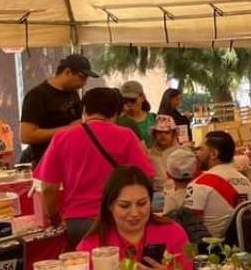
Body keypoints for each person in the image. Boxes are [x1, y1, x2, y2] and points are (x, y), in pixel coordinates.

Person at [35, 87, 157, 249]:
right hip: (118, 219)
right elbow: (146, 177)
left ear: (85, 110)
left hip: (77, 223)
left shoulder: (62, 138)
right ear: (115, 113)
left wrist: (54, 216)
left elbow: (49, 188)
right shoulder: (126, 136)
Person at [77, 167, 190, 270]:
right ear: (110, 206)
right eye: (124, 206)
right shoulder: (91, 247)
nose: (135, 213)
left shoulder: (173, 233)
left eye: (142, 204)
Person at [19, 53, 97, 164]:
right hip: (46, 162)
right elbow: (26, 136)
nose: (84, 83)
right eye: (82, 78)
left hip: (71, 160)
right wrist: (67, 129)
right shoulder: (37, 96)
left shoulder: (73, 93)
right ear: (67, 72)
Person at [185, 131, 251, 239]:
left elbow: (189, 226)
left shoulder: (199, 184)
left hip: (210, 250)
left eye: (201, 149)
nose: (197, 154)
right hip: (243, 248)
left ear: (214, 154)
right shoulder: (247, 182)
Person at [117, 80, 155, 147]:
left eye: (132, 100)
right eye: (125, 100)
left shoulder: (154, 119)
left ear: (143, 97)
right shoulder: (118, 121)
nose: (128, 104)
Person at [148, 115, 180, 192]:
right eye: (159, 132)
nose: (163, 135)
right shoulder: (149, 154)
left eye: (167, 132)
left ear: (173, 134)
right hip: (155, 192)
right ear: (154, 135)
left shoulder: (180, 153)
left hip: (176, 191)